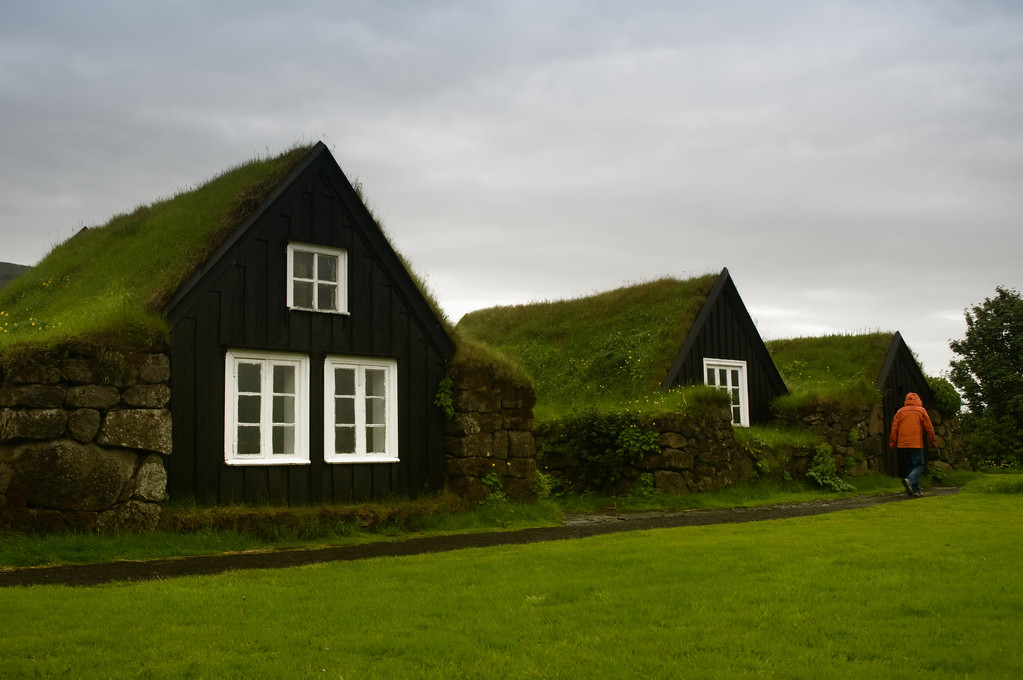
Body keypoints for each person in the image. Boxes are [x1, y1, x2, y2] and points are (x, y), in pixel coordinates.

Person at [889, 392, 937, 497]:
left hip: (902, 445)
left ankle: (916, 490)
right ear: (918, 400)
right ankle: (910, 480)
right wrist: (932, 441)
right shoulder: (921, 411)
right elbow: (929, 428)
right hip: (916, 444)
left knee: (911, 466)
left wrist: (892, 443)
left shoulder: (900, 412)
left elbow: (894, 429)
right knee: (919, 465)